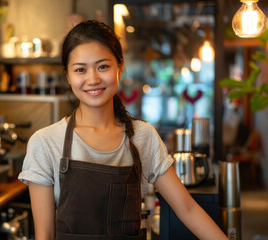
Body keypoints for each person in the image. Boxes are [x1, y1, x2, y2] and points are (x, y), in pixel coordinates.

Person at [18, 20, 228, 240]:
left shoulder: (143, 136)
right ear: (68, 76)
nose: (93, 79)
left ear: (120, 67)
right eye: (80, 69)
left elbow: (188, 209)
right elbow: (45, 235)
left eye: (103, 66)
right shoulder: (45, 142)